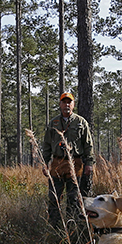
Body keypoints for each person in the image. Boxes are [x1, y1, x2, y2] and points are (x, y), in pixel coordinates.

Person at [42, 92, 95, 228]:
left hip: (75, 163)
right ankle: (55, 226)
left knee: (74, 198)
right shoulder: (53, 123)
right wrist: (44, 163)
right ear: (60, 105)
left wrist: (89, 163)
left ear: (73, 104)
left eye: (69, 102)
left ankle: (72, 226)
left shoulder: (81, 122)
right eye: (64, 102)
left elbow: (88, 145)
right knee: (54, 196)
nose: (66, 105)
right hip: (57, 163)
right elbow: (47, 145)